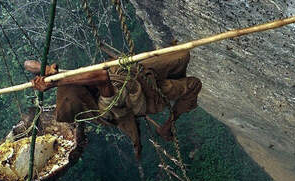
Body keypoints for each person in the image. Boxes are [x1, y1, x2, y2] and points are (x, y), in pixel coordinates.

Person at [25, 49, 201, 160]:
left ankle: (175, 75)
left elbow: (28, 64)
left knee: (182, 55)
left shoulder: (79, 82)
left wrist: (46, 71)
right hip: (146, 95)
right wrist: (55, 83)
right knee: (193, 84)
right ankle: (168, 124)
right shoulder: (102, 108)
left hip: (136, 71)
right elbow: (102, 77)